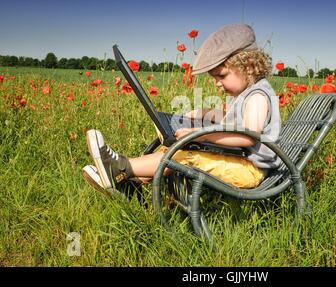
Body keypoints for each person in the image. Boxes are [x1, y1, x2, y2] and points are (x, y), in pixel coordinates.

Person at [82, 24, 281, 196]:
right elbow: (234, 120)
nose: (217, 84)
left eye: (221, 76)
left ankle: (120, 167)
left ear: (249, 65)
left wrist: (201, 135)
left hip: (249, 170)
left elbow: (247, 135)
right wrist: (205, 114)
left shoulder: (257, 96)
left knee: (182, 155)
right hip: (241, 160)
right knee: (173, 148)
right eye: (214, 79)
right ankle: (131, 185)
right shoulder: (247, 93)